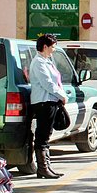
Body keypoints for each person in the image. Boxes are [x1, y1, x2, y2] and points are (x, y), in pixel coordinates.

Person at [29, 34, 68, 179]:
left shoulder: (47, 61)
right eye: (52, 47)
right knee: (43, 135)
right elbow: (48, 83)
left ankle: (47, 167)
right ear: (45, 47)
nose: (54, 49)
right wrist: (61, 95)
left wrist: (60, 94)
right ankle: (43, 168)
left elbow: (56, 81)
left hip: (50, 102)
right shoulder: (39, 63)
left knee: (47, 134)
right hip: (43, 102)